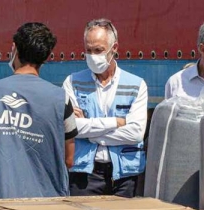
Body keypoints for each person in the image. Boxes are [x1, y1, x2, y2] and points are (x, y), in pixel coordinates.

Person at [0, 22, 77, 201]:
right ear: (46, 56)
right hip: (41, 207)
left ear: (14, 49)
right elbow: (68, 159)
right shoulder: (61, 99)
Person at [62, 18, 148, 198]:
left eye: (98, 50)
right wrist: (117, 122)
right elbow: (71, 128)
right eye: (88, 50)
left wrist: (90, 132)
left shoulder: (136, 85)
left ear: (114, 48)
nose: (93, 56)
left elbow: (136, 133)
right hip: (85, 174)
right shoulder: (72, 83)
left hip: (124, 175)